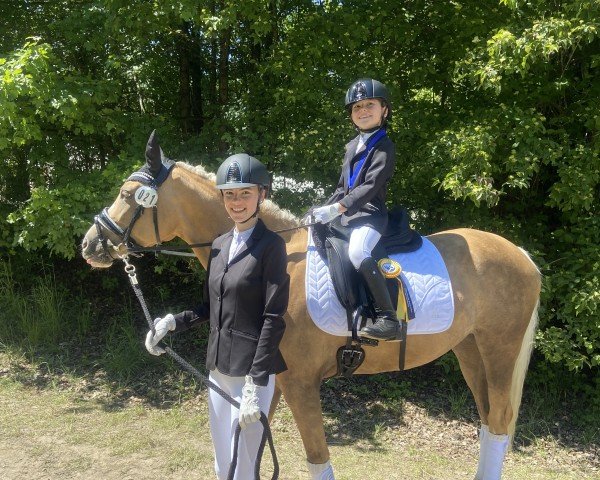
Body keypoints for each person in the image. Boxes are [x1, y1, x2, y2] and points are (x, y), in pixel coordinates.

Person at [145, 154, 289, 480]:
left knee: (247, 466)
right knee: (223, 464)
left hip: (253, 375)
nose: (236, 202)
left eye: (245, 193)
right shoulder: (220, 245)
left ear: (261, 195)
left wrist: (255, 381)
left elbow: (273, 317)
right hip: (218, 368)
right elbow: (210, 307)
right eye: (230, 194)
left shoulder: (271, 247)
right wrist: (172, 322)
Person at [312, 78, 399, 341]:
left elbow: (371, 186)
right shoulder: (352, 146)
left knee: (358, 251)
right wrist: (322, 209)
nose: (362, 111)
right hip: (349, 215)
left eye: (369, 105)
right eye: (357, 107)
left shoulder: (384, 146)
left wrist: (339, 207)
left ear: (384, 110)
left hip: (370, 216)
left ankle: (388, 318)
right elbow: (343, 187)